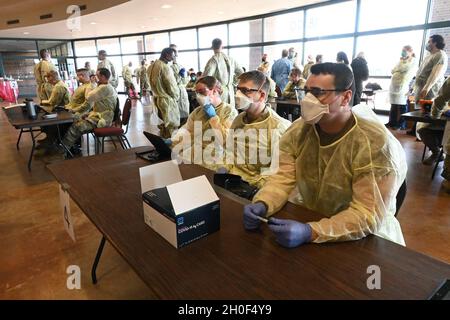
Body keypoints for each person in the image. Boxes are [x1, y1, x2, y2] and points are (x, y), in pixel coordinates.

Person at [244, 63, 407, 248]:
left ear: (346, 97)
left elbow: (366, 213)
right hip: (313, 215)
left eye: (318, 92)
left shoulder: (374, 144)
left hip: (363, 236)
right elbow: (283, 176)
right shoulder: (299, 130)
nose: (308, 100)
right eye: (306, 91)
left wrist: (310, 232)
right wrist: (264, 202)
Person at [224, 70, 291, 188]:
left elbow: (277, 173)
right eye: (238, 89)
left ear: (262, 95)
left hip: (257, 188)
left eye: (245, 91)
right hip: (232, 181)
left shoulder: (278, 127)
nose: (238, 94)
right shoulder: (238, 120)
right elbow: (229, 153)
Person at [171, 76, 238, 169]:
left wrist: (214, 118)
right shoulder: (198, 111)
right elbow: (187, 130)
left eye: (202, 92)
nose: (198, 96)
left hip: (216, 157)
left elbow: (226, 140)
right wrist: (173, 141)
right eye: (197, 92)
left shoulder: (229, 111)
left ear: (214, 91)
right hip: (196, 152)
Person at [62, 68, 118, 152]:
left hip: (103, 119)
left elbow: (89, 97)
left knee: (76, 127)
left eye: (97, 76)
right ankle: (68, 148)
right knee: (76, 121)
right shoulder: (105, 86)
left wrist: (94, 83)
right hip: (99, 116)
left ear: (102, 76)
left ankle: (63, 151)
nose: (95, 77)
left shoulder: (104, 87)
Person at [416, 35, 448, 164]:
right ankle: (431, 145)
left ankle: (436, 151)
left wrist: (426, 88)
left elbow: (435, 74)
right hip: (423, 91)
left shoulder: (440, 55)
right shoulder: (429, 55)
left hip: (429, 93)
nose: (427, 44)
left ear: (435, 42)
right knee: (422, 119)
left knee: (426, 122)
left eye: (429, 41)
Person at [147, 47, 180, 138]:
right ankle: (171, 148)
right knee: (171, 126)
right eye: (173, 56)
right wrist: (176, 97)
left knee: (163, 125)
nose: (173, 58)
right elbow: (171, 86)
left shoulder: (151, 66)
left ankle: (163, 145)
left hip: (156, 98)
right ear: (167, 55)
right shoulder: (165, 67)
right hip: (166, 100)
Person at [203, 38, 244, 107]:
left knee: (220, 114)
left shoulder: (213, 60)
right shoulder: (231, 59)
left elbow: (206, 77)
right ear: (222, 47)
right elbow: (241, 73)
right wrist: (233, 82)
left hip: (219, 92)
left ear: (212, 47)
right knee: (230, 113)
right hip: (230, 91)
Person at [387, 46, 417, 130]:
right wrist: (400, 66)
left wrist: (399, 68)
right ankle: (391, 122)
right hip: (394, 86)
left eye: (404, 51)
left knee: (402, 105)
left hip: (403, 86)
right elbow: (393, 70)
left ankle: (401, 124)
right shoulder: (401, 60)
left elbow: (406, 69)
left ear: (410, 52)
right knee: (393, 105)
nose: (402, 52)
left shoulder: (412, 62)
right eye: (402, 50)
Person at [170, 44, 190, 120]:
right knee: (176, 116)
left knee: (185, 113)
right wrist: (179, 76)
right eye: (173, 51)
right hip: (174, 92)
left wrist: (185, 76)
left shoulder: (180, 65)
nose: (175, 53)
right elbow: (171, 82)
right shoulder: (168, 67)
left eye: (176, 51)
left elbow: (185, 82)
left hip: (182, 91)